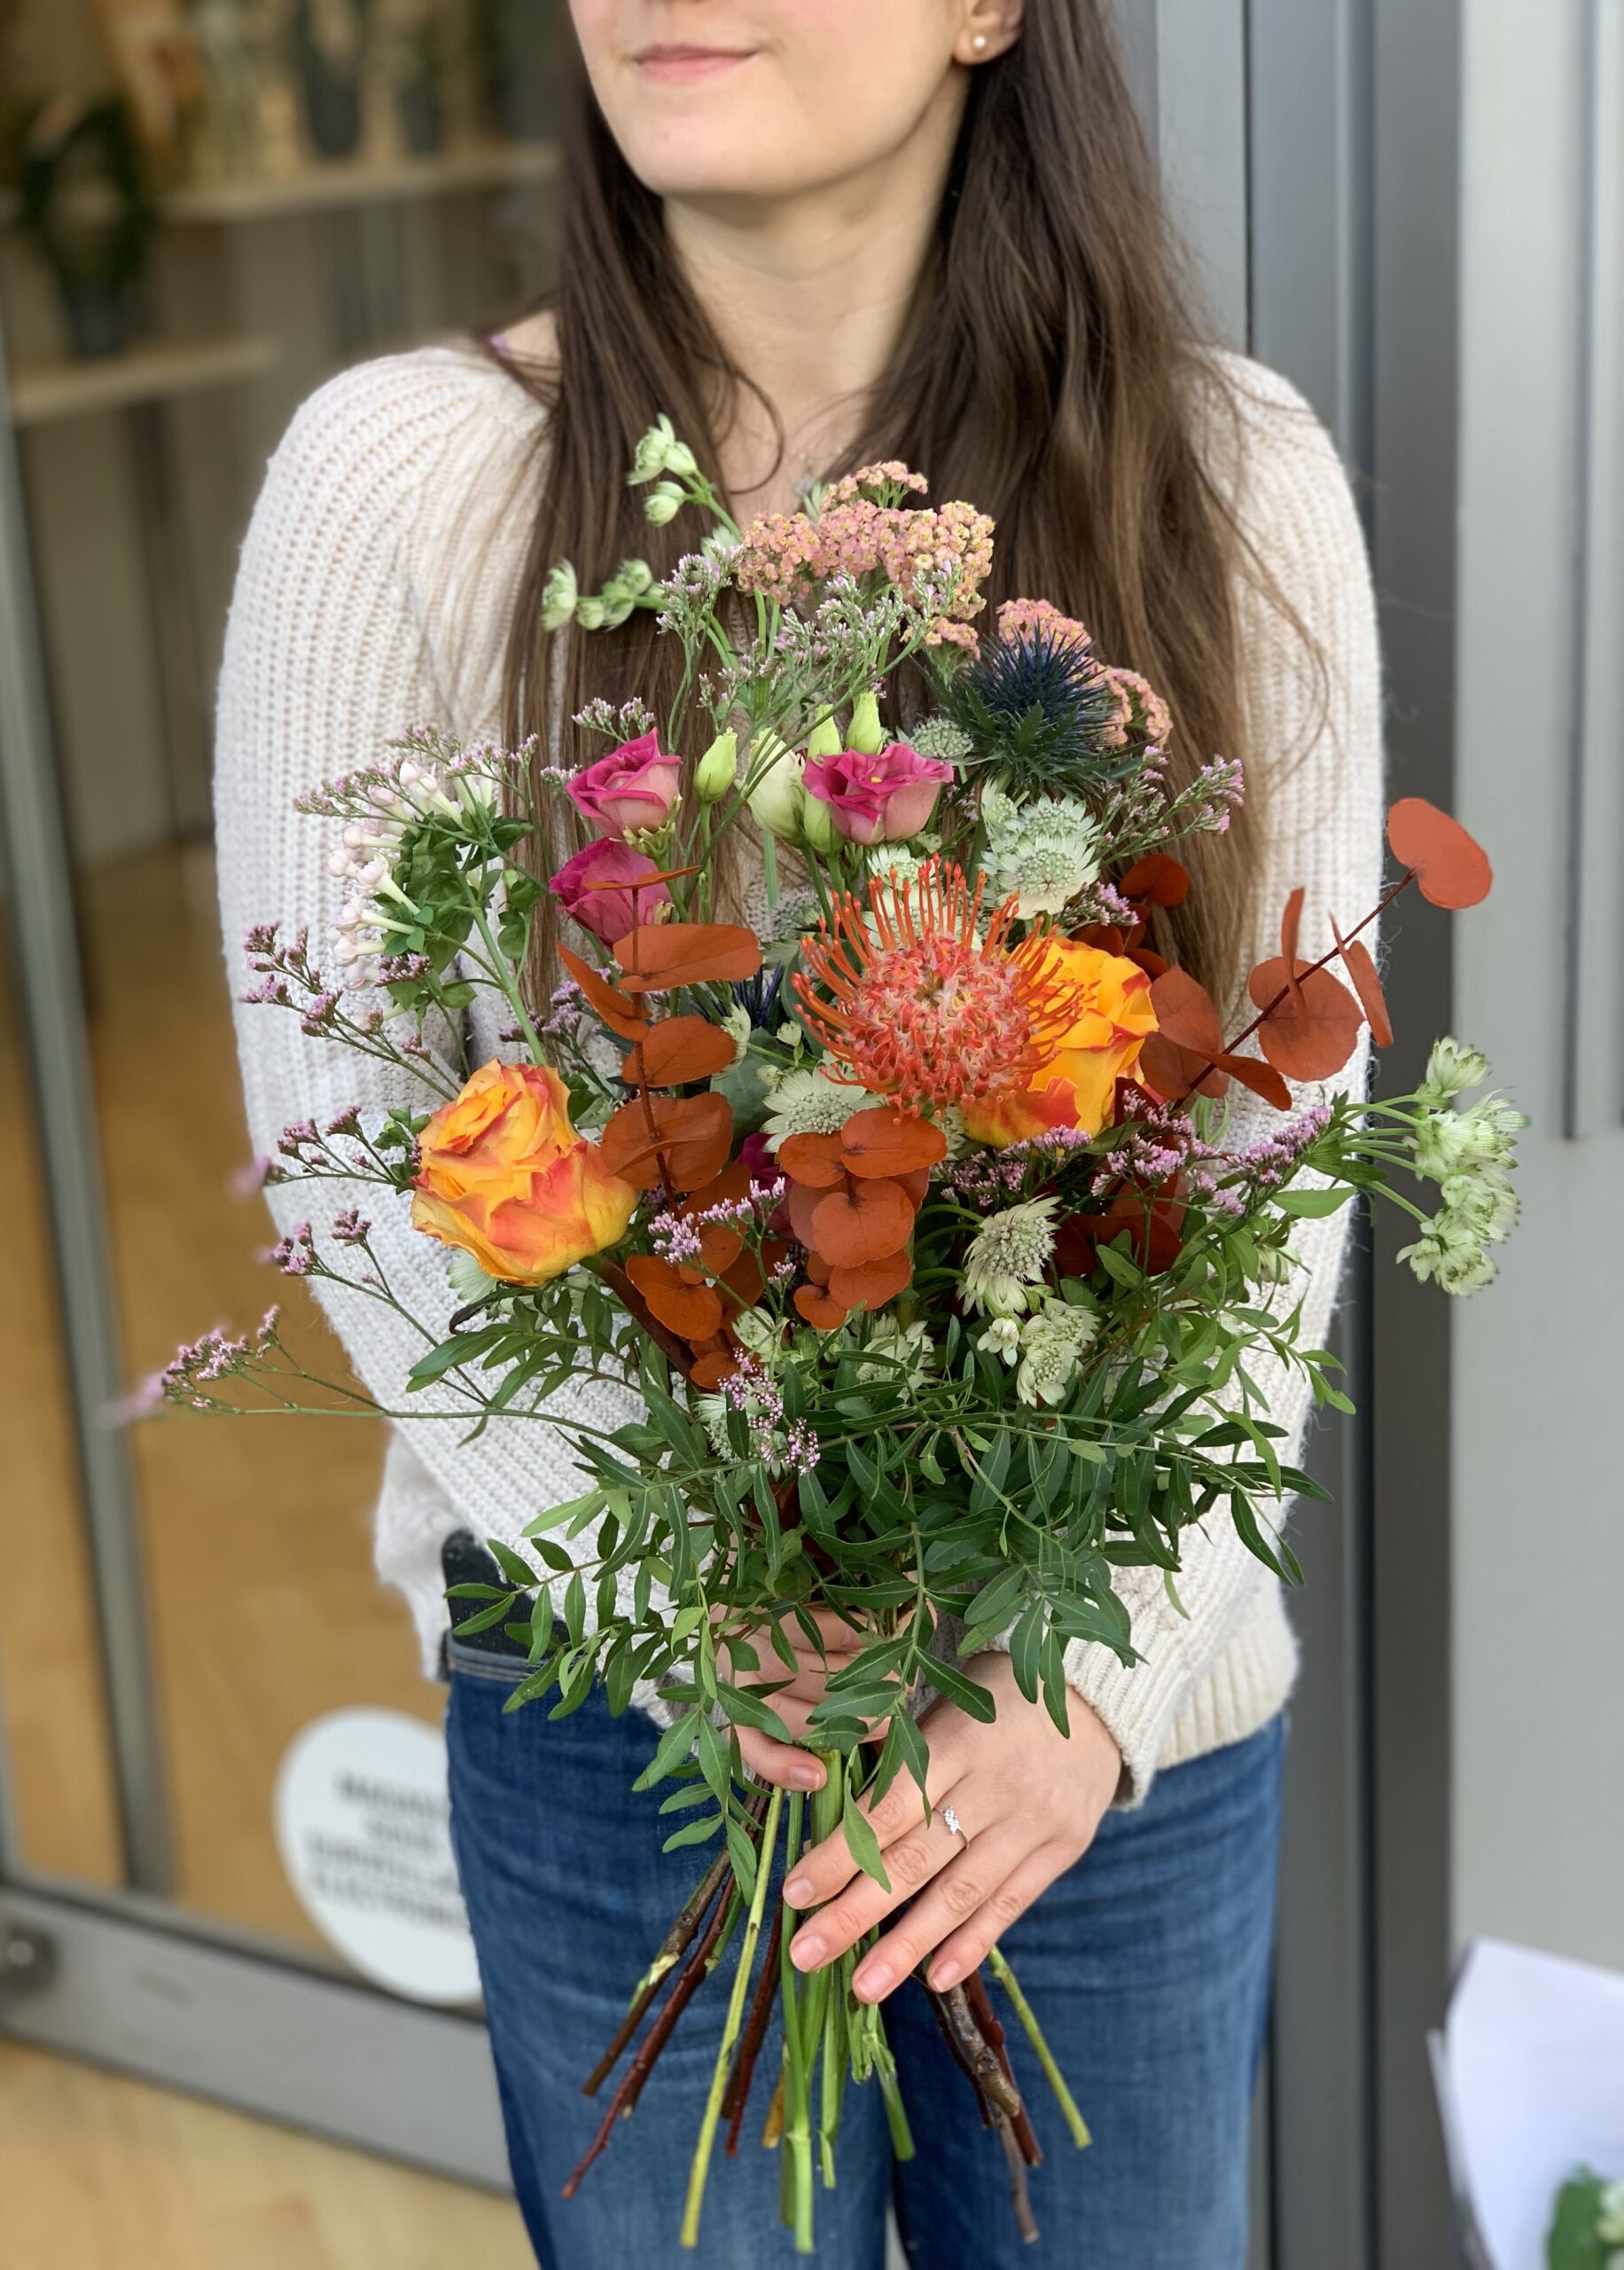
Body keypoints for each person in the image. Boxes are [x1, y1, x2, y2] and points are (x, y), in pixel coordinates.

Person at [215, 4, 1383, 2263]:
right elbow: (362, 1158)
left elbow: (1283, 1151)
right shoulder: (409, 490)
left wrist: (1093, 1680)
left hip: (1101, 1747)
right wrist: (698, 1612)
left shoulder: (1220, 479)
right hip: (637, 1725)